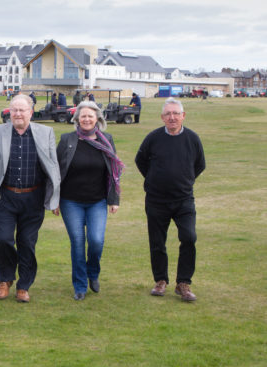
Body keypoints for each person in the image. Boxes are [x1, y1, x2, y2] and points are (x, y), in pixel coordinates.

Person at [0, 94, 61, 303]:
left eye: (22, 110)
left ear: (31, 112)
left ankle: (24, 285)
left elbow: (53, 167)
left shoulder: (46, 132)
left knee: (27, 242)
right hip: (5, 197)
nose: (17, 114)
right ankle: (5, 280)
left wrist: (55, 197)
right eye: (13, 110)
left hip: (34, 198)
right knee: (4, 240)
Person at [135, 97, 206, 302]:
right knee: (157, 242)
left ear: (183, 116)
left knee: (189, 237)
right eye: (168, 114)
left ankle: (183, 283)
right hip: (156, 200)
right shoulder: (153, 138)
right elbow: (141, 161)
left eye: (176, 113)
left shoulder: (192, 138)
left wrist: (185, 180)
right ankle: (160, 281)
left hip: (184, 200)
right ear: (162, 117)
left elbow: (199, 164)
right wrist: (155, 179)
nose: (172, 117)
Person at [57, 101, 124, 301]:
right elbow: (56, 170)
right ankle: (80, 285)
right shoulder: (67, 140)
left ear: (98, 119)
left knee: (96, 241)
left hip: (97, 201)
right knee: (77, 242)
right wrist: (53, 200)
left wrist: (114, 199)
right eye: (83, 116)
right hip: (71, 201)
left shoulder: (107, 140)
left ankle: (92, 273)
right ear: (76, 119)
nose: (86, 119)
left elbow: (113, 172)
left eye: (90, 116)